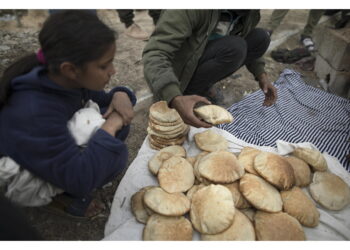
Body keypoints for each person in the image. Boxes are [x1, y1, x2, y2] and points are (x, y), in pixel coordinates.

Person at [0, 10, 136, 218]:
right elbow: (79, 177)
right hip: (21, 171)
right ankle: (62, 195)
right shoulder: (34, 111)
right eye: (104, 65)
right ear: (70, 69)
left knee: (115, 118)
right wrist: (110, 127)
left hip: (45, 147)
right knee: (111, 138)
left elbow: (105, 99)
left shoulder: (65, 78)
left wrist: (121, 94)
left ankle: (65, 180)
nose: (113, 71)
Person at [143, 10, 277, 128]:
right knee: (235, 47)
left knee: (261, 38)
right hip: (178, 71)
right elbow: (155, 53)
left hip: (206, 56)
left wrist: (261, 75)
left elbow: (245, 35)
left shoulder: (249, 12)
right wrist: (173, 96)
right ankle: (185, 95)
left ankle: (202, 87)